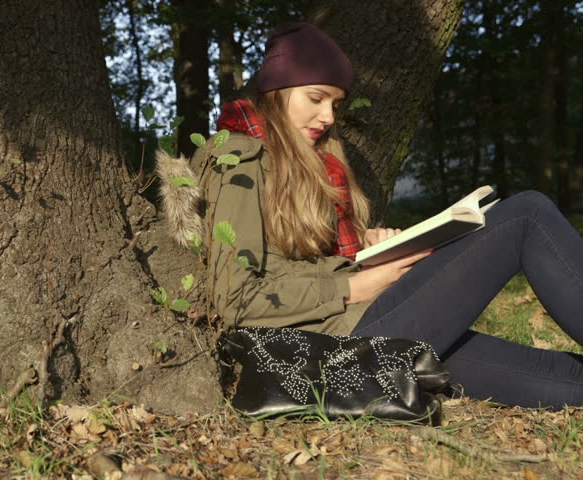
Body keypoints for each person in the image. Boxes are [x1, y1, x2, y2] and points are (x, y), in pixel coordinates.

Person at [193, 22, 583, 409]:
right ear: (277, 90)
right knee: (525, 216)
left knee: (558, 376)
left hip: (363, 324)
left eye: (335, 104)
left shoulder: (310, 163)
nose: (328, 116)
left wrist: (371, 251)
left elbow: (297, 258)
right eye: (316, 97)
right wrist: (358, 285)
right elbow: (235, 297)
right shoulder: (237, 159)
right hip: (334, 341)